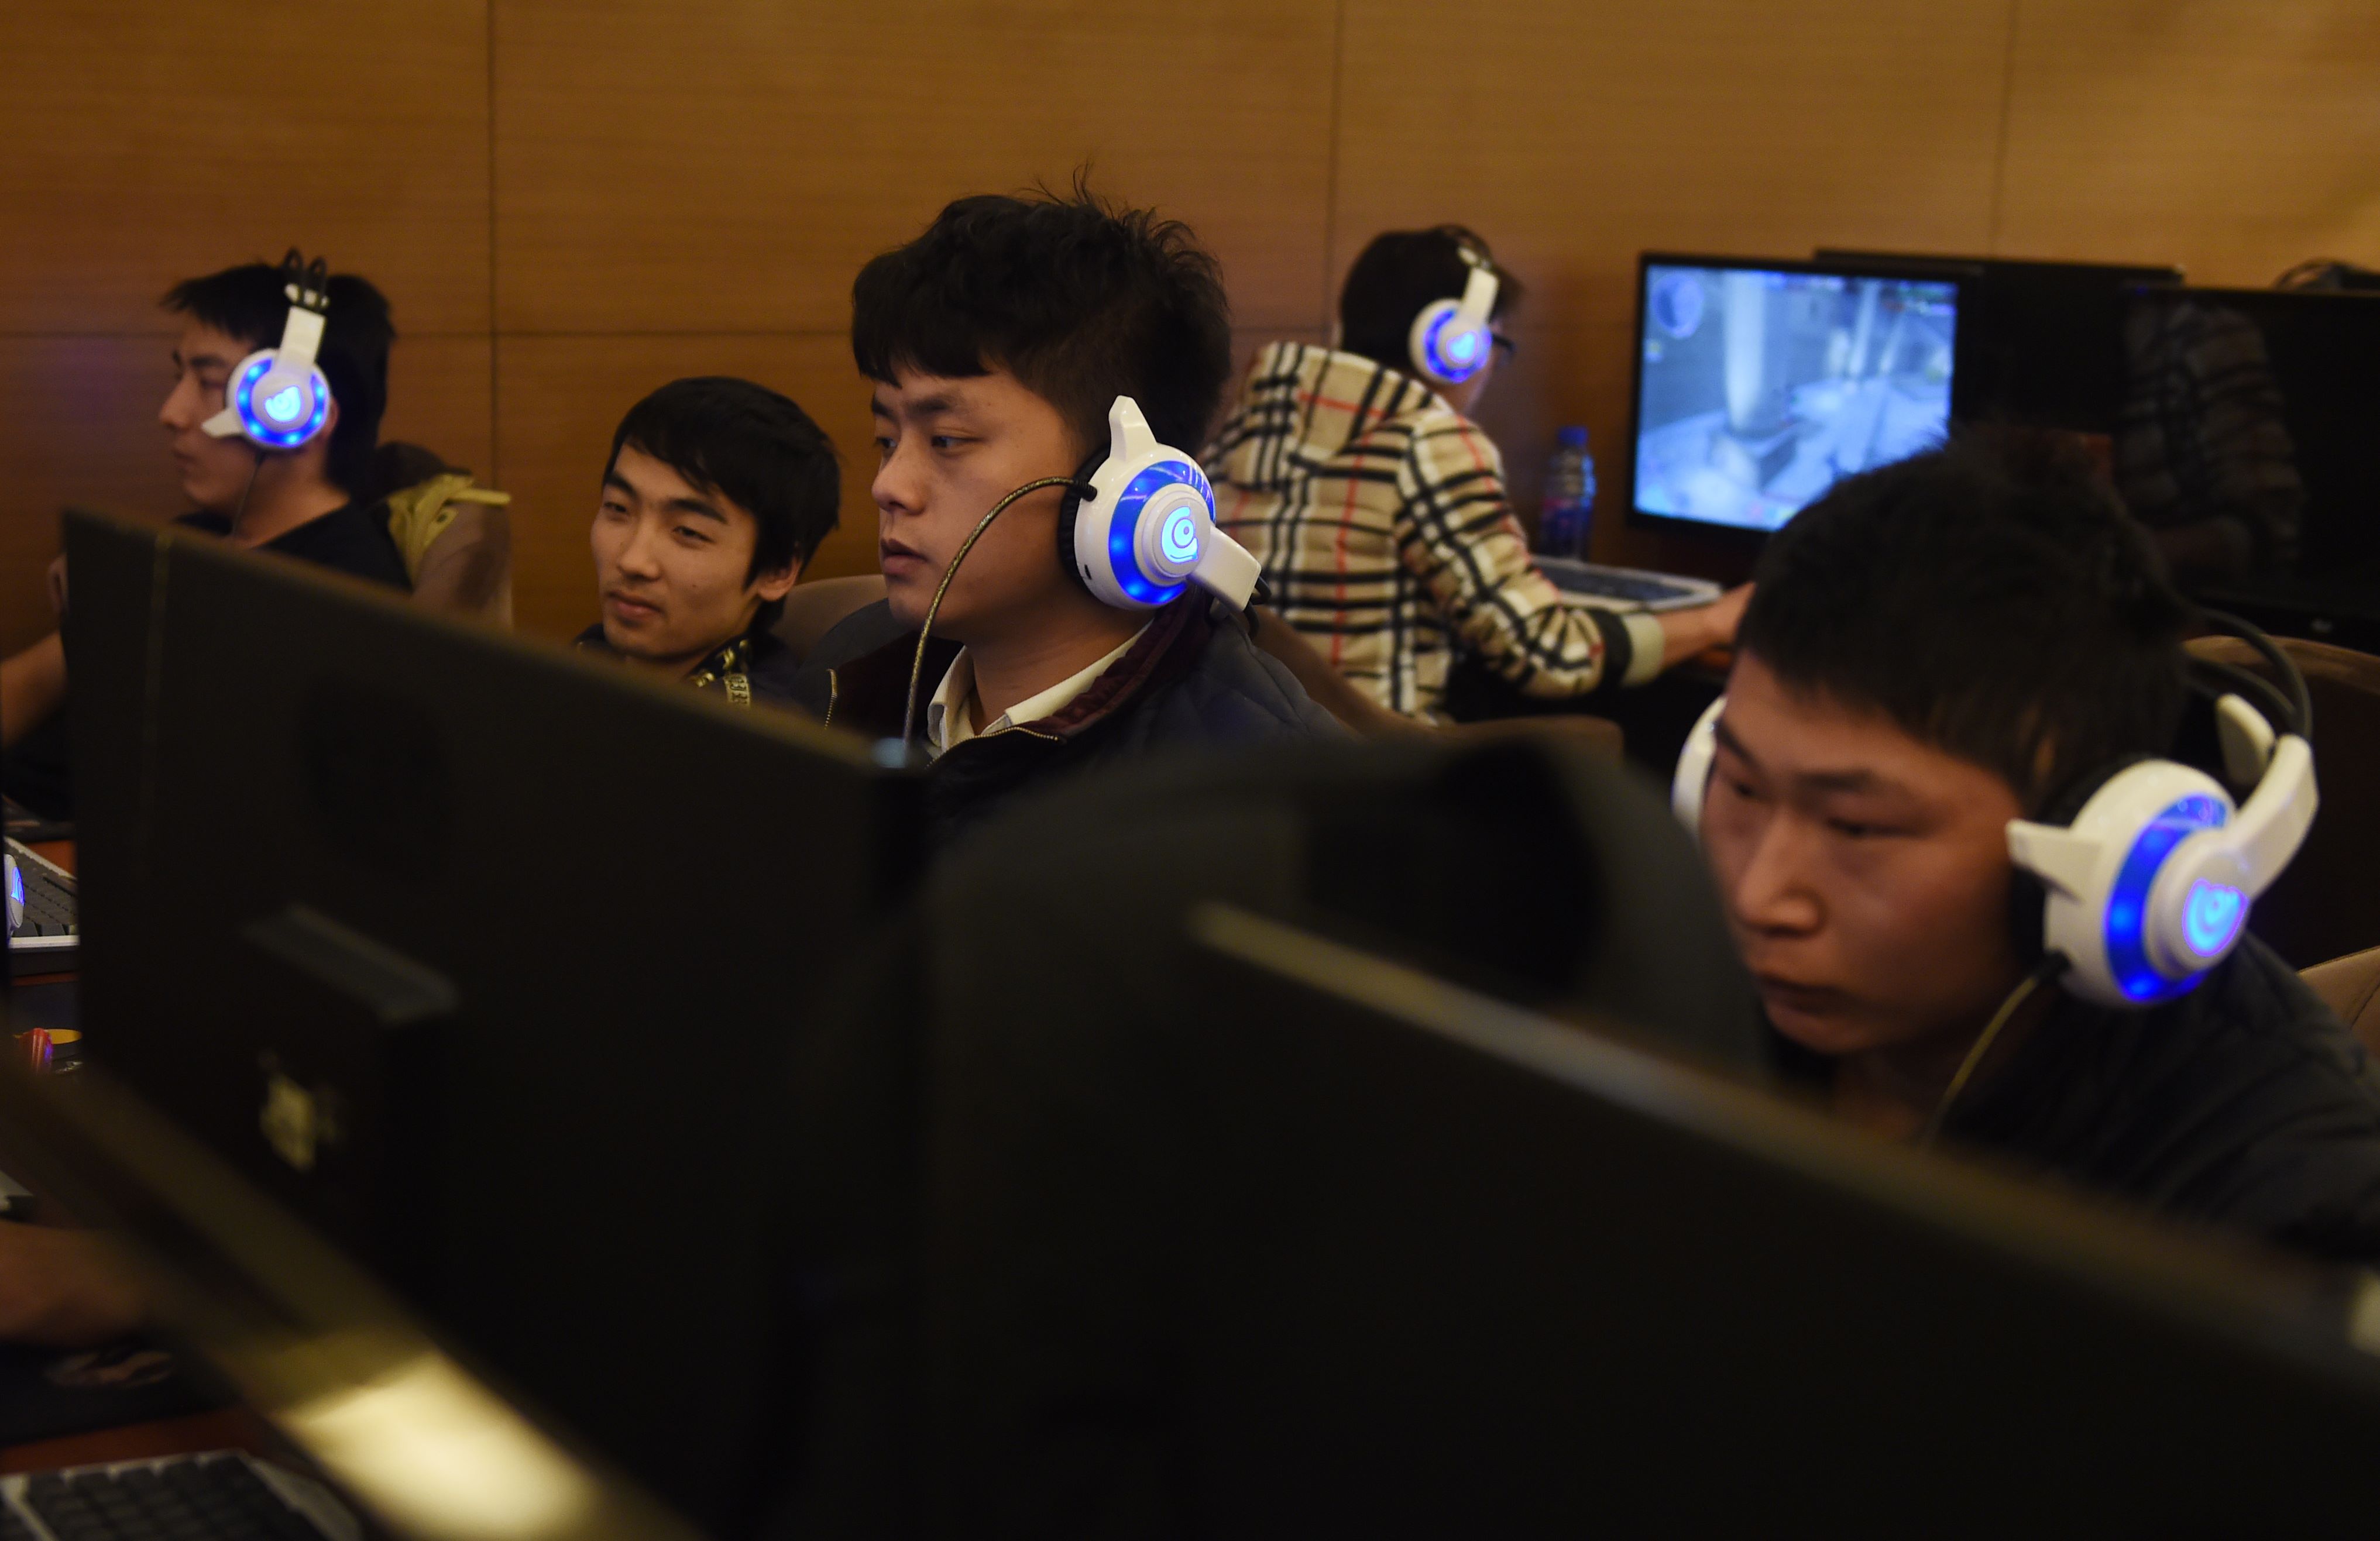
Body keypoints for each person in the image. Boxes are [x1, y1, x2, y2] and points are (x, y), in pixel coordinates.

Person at [1689, 432, 2380, 1262]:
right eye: (1739, 787)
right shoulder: (1653, 977)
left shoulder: (2287, 1200)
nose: (1760, 897)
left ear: (2102, 843)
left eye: (1855, 828)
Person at [796, 184, 1341, 844]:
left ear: (1125, 491)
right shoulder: (851, 668)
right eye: (888, 441)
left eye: (947, 441)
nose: (890, 485)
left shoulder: (1255, 801)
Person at [1205, 225, 1747, 722]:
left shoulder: (1248, 424)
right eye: (1494, 344)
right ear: (1453, 345)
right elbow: (1549, 654)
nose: (1490, 365)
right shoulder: (1427, 442)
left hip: (1257, 756)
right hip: (1379, 775)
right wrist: (1714, 621)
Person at [1, 256, 403, 814]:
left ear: (295, 411)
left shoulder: (345, 599)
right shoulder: (187, 543)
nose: (172, 412)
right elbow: (24, 689)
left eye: (209, 382)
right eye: (179, 378)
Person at [576, 377, 839, 709]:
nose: (633, 560)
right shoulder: (583, 660)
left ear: (777, 570)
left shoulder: (759, 736)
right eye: (618, 508)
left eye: (688, 531)